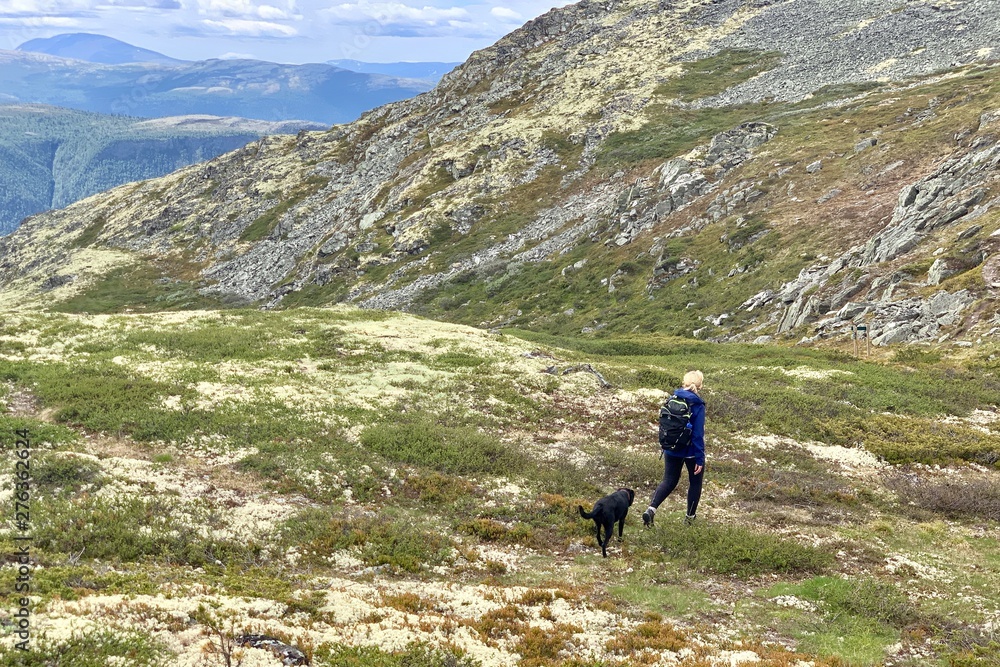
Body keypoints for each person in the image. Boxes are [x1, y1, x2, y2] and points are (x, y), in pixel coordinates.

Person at [642, 370, 706, 527]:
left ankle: (651, 509)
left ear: (683, 382)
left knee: (669, 480)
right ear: (700, 385)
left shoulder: (672, 398)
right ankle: (689, 519)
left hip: (671, 448)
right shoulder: (697, 405)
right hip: (690, 451)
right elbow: (697, 434)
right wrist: (700, 458)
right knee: (695, 483)